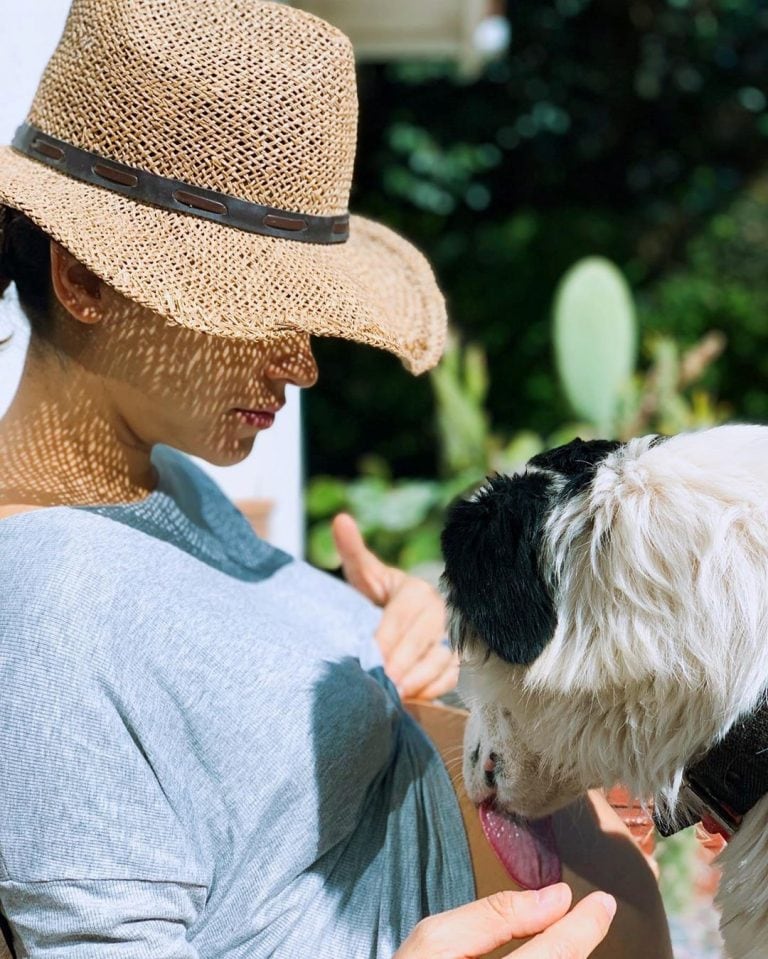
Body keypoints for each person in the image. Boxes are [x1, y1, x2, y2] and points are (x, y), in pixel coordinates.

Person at [0, 2, 673, 957]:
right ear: (85, 281)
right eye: (258, 305)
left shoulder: (165, 492)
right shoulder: (37, 608)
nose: (303, 363)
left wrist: (382, 629)